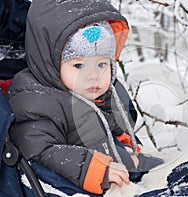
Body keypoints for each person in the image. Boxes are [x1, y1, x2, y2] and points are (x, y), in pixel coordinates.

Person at [6, 0, 162, 195]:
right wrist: (93, 168)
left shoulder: (97, 93)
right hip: (69, 183)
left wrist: (125, 146)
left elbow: (112, 128)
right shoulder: (35, 98)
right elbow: (38, 151)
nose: (93, 75)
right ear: (50, 63)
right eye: (79, 66)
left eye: (102, 65)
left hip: (114, 172)